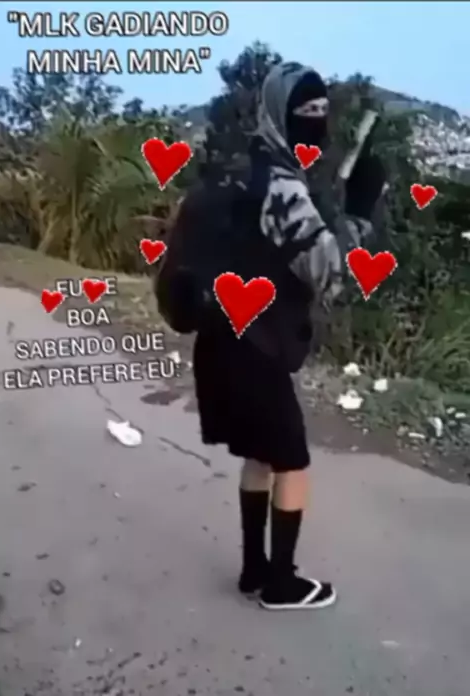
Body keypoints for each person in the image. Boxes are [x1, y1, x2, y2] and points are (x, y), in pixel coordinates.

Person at [165, 62, 386, 610]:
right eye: (306, 112)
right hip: (256, 346)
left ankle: (253, 569)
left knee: (259, 456)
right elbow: (326, 270)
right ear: (279, 114)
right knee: (291, 461)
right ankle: (282, 583)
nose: (317, 121)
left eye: (322, 111)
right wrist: (359, 215)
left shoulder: (241, 171)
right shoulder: (283, 187)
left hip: (219, 338)